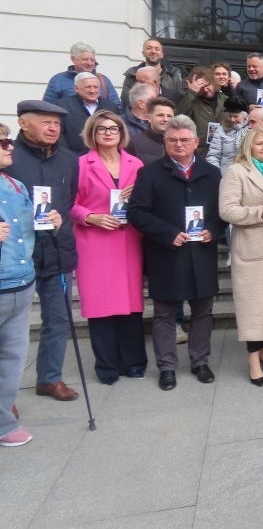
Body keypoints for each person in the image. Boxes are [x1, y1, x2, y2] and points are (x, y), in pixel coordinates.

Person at [127, 115, 225, 390]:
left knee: (203, 311)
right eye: (173, 140)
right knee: (164, 314)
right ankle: (167, 367)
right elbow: (137, 212)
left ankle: (200, 361)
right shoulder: (149, 173)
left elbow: (222, 211)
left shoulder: (212, 173)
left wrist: (213, 230)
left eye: (184, 140)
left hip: (201, 253)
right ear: (165, 142)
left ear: (196, 141)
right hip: (166, 254)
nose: (179, 144)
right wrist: (167, 233)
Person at [6, 101, 79, 402]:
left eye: (57, 124)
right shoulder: (9, 157)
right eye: (45, 122)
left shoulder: (69, 159)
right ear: (23, 123)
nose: (53, 129)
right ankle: (5, 397)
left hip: (58, 251)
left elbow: (68, 200)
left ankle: (49, 378)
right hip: (15, 257)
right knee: (9, 333)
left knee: (58, 320)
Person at [71, 110, 147, 384]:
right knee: (101, 306)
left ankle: (134, 362)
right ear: (92, 133)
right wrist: (90, 216)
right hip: (95, 243)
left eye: (113, 128)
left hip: (129, 241)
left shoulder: (136, 164)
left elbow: (148, 199)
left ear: (121, 133)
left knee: (131, 305)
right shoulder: (81, 164)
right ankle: (107, 366)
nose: (107, 133)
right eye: (101, 128)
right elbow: (68, 203)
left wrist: (138, 192)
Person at [0, 123, 41, 447]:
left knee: (13, 359)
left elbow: (29, 230)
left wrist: (49, 222)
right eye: (3, 142)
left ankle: (3, 422)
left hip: (22, 284)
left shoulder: (15, 185)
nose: (10, 146)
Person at [45, 42, 122, 111]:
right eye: (85, 59)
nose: (89, 63)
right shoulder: (58, 80)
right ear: (73, 59)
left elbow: (117, 108)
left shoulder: (103, 80)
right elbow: (47, 108)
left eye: (92, 60)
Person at [56, 73, 119, 155]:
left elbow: (116, 132)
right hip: (72, 157)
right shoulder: (62, 106)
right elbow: (59, 134)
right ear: (76, 88)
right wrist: (69, 155)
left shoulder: (111, 107)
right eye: (88, 87)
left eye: (96, 87)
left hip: (103, 157)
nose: (92, 91)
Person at [177, 66, 227, 158]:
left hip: (223, 152)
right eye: (201, 87)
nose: (205, 89)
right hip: (200, 153)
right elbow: (180, 118)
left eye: (207, 85)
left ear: (213, 82)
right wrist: (192, 93)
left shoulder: (226, 101)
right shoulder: (191, 101)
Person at [122, 38, 185, 108]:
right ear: (143, 53)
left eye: (157, 49)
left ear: (162, 54)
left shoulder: (173, 75)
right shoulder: (132, 74)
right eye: (149, 48)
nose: (153, 51)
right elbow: (125, 102)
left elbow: (180, 102)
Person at [126, 97, 176, 166]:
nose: (165, 119)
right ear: (149, 118)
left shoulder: (180, 143)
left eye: (169, 116)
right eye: (160, 115)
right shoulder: (133, 143)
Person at [206, 96, 249, 169]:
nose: (232, 119)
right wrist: (215, 172)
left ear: (244, 116)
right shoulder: (221, 130)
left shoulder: (250, 130)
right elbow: (213, 155)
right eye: (229, 116)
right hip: (225, 172)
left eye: (235, 116)